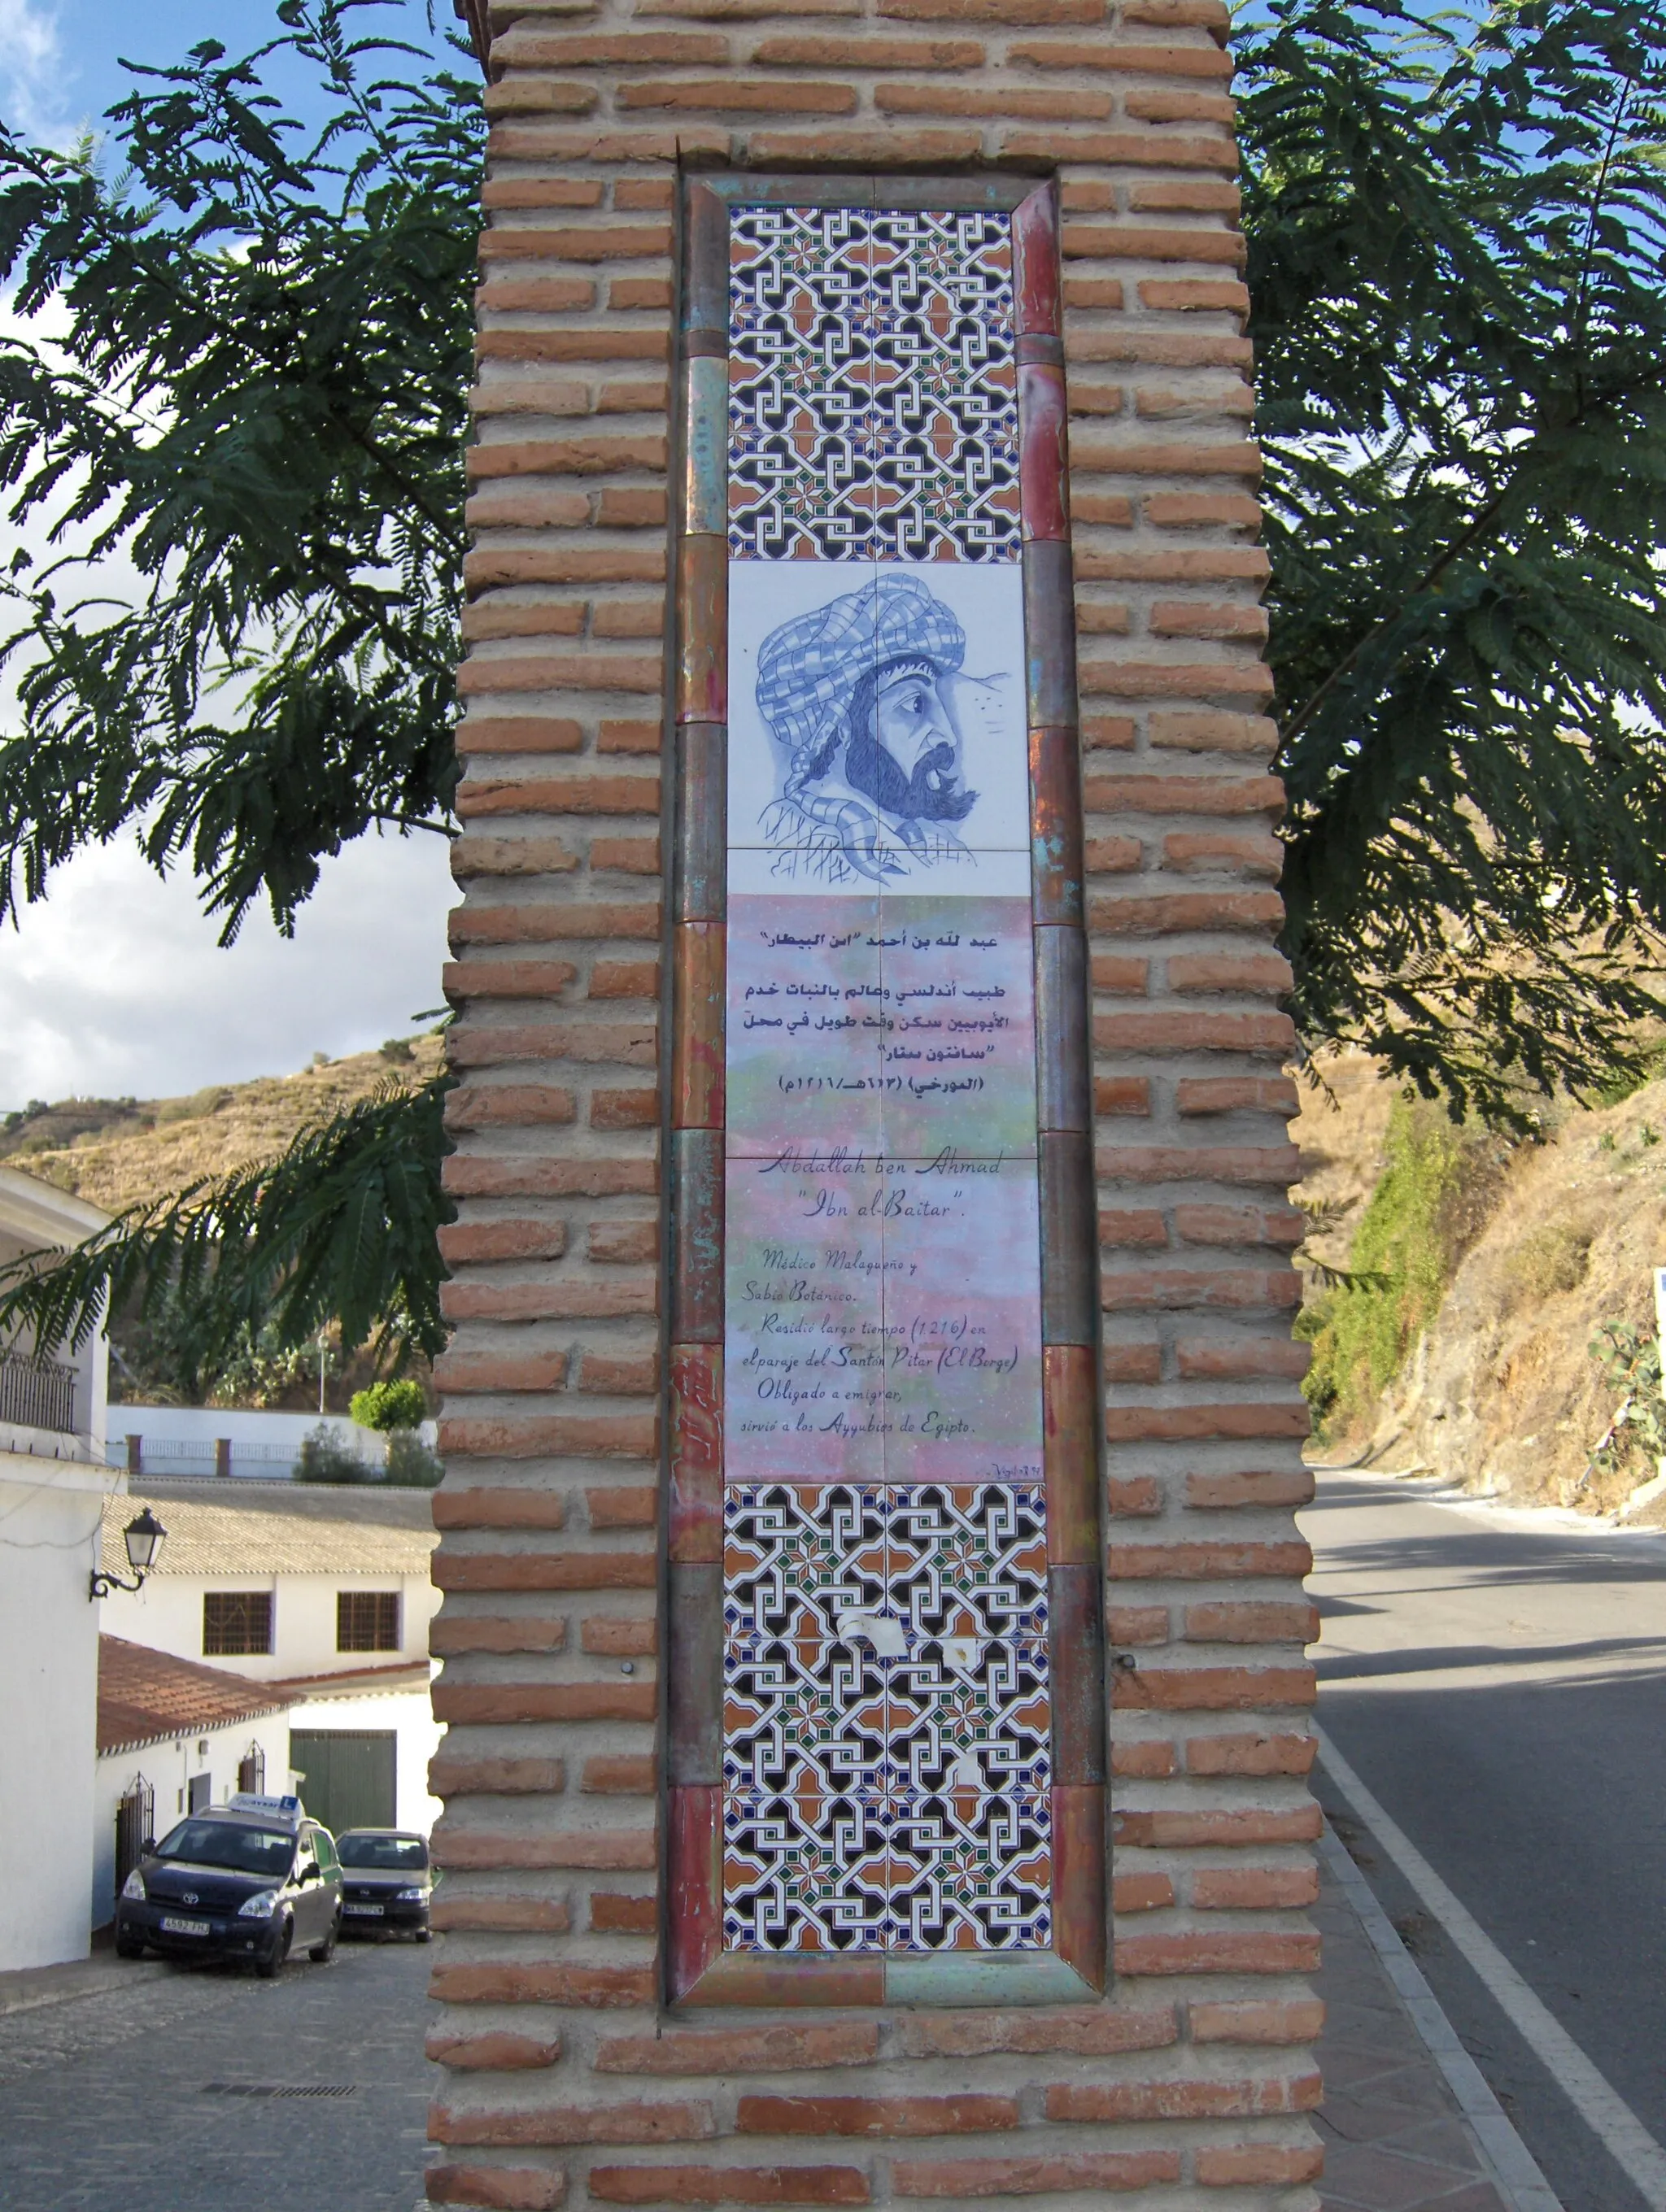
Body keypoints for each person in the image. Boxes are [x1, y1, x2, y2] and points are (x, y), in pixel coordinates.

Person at [754, 571, 1005, 884]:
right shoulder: (784, 844)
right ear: (843, 727)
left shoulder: (938, 846)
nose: (948, 736)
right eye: (915, 705)